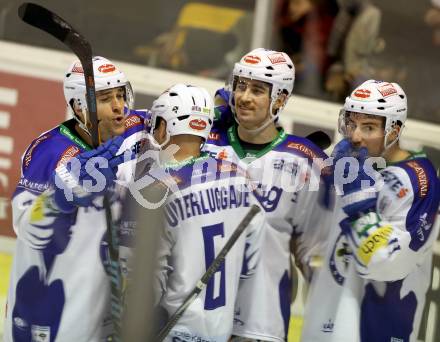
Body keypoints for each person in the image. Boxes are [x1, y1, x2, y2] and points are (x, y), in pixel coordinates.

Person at [4, 56, 148, 341]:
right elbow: (24, 224)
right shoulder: (49, 152)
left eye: (121, 94)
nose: (119, 106)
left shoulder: (131, 126)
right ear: (79, 106)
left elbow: (175, 117)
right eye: (107, 98)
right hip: (48, 307)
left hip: (100, 303)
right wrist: (62, 194)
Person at [204, 48, 331, 341]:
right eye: (241, 85)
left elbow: (314, 254)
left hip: (260, 324)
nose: (245, 97)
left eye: (258, 90)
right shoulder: (204, 143)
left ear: (281, 99)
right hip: (196, 318)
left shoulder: (306, 161)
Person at [121, 83, 264, 341]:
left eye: (156, 124)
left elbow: (143, 286)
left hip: (170, 332)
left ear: (166, 127)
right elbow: (250, 263)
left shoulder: (149, 189)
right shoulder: (240, 177)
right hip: (219, 332)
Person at [300, 80, 440, 342]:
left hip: (378, 328)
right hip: (326, 320)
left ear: (394, 130)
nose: (355, 136)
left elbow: (387, 265)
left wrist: (359, 198)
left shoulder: (420, 180)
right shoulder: (349, 165)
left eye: (369, 127)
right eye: (352, 124)